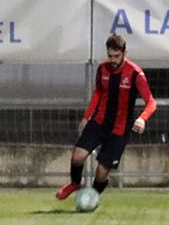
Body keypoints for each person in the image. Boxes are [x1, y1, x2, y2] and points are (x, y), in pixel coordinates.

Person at [55, 33, 157, 202]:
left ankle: (92, 196)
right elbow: (98, 93)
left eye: (116, 56)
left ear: (124, 53)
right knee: (78, 155)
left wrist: (142, 118)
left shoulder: (135, 74)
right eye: (110, 56)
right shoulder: (102, 69)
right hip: (99, 122)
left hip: (119, 129)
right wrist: (86, 117)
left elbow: (151, 102)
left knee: (102, 171)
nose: (113, 59)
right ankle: (74, 183)